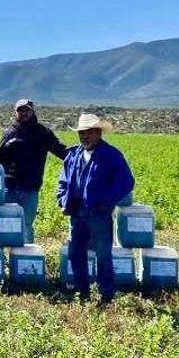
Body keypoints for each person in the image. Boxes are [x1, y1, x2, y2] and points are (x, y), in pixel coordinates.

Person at [56, 114, 135, 306]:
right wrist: (63, 201)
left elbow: (126, 182)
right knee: (75, 252)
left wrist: (106, 202)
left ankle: (106, 294)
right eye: (81, 133)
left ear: (98, 133)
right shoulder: (73, 155)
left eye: (88, 132)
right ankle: (81, 290)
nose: (84, 137)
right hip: (76, 213)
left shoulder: (111, 155)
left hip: (98, 214)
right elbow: (63, 181)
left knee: (103, 255)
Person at [0, 99, 68, 244]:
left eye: (26, 110)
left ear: (32, 112)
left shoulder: (43, 133)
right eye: (20, 110)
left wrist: (79, 155)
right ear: (15, 112)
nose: (23, 113)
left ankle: (25, 256)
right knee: (4, 224)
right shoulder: (9, 132)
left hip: (30, 188)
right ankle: (2, 256)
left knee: (27, 225)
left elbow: (60, 150)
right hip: (9, 187)